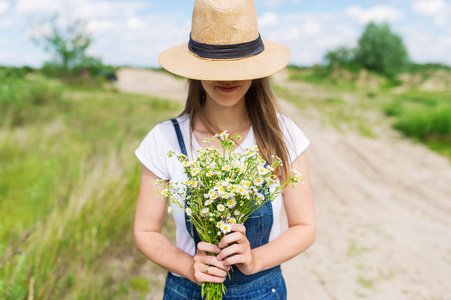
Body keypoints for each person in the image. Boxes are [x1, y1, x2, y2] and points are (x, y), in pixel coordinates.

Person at [133, 0, 316, 299]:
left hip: (263, 290)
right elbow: (145, 231)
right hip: (186, 290)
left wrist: (255, 259)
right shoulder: (165, 139)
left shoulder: (281, 134)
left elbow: (305, 226)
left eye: (239, 66)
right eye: (215, 67)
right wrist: (190, 265)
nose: (227, 78)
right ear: (195, 69)